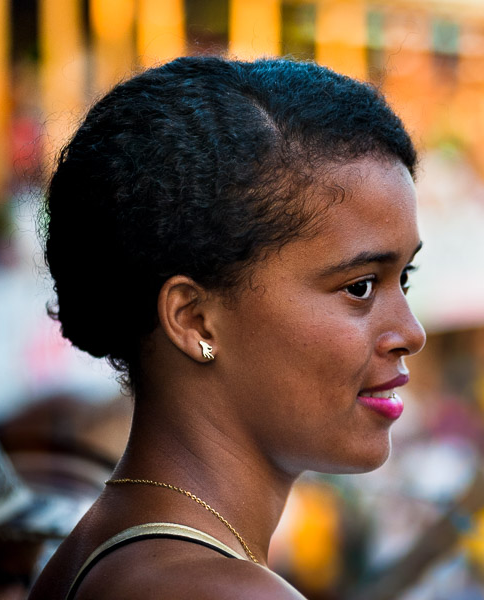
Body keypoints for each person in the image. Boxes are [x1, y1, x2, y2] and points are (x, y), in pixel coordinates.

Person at [27, 56, 426, 599]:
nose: (411, 331)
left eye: (405, 277)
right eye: (359, 286)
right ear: (194, 320)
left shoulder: (108, 554)